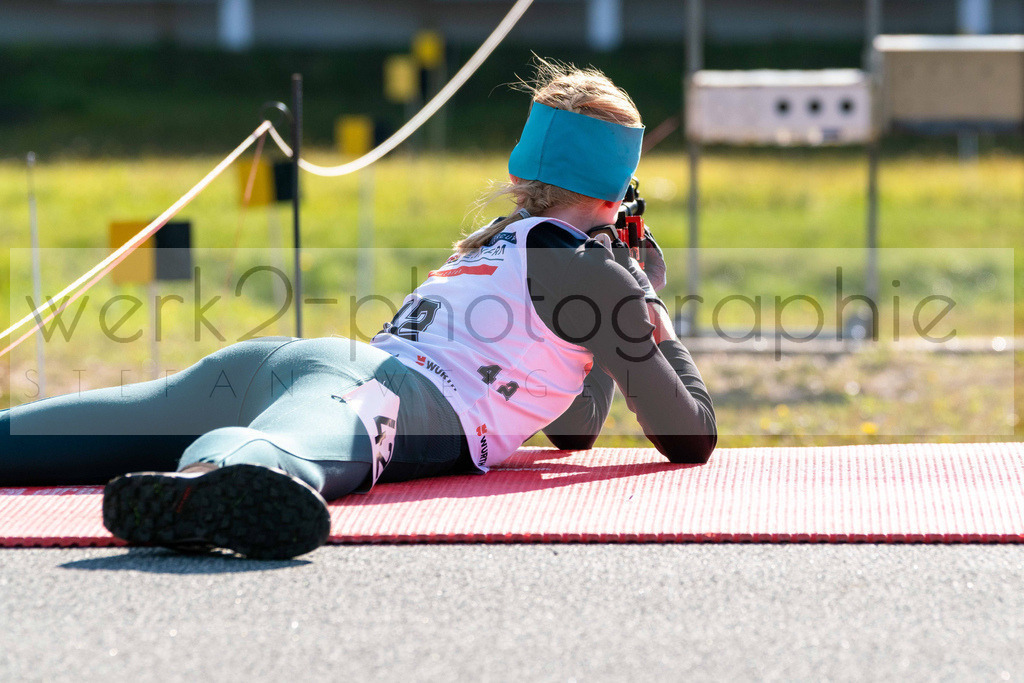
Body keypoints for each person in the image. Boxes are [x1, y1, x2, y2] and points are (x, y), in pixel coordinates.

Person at [0, 60, 716, 559]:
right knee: (283, 457)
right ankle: (205, 485)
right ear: (617, 190)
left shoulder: (500, 237)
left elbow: (572, 427)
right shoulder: (594, 271)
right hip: (382, 393)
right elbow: (691, 432)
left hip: (298, 362)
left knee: (82, 428)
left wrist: (622, 306)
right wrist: (645, 294)